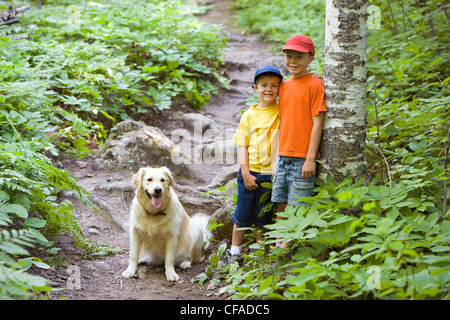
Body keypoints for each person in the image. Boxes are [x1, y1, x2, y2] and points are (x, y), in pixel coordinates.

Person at [271, 35, 327, 248]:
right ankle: (278, 245)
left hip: (302, 159)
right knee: (281, 204)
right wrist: (276, 158)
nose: (293, 61)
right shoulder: (284, 87)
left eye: (299, 57)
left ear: (311, 58)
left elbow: (317, 123)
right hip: (283, 157)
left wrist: (310, 158)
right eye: (288, 56)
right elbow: (282, 122)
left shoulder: (314, 85)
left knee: (298, 206)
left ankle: (287, 252)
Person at [226, 65, 283, 263]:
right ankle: (235, 252)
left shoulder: (282, 111)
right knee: (242, 213)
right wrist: (246, 172)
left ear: (280, 88)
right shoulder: (249, 115)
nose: (269, 89)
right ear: (255, 88)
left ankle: (260, 253)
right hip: (249, 173)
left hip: (271, 174)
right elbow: (242, 145)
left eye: (274, 85)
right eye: (264, 85)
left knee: (263, 216)